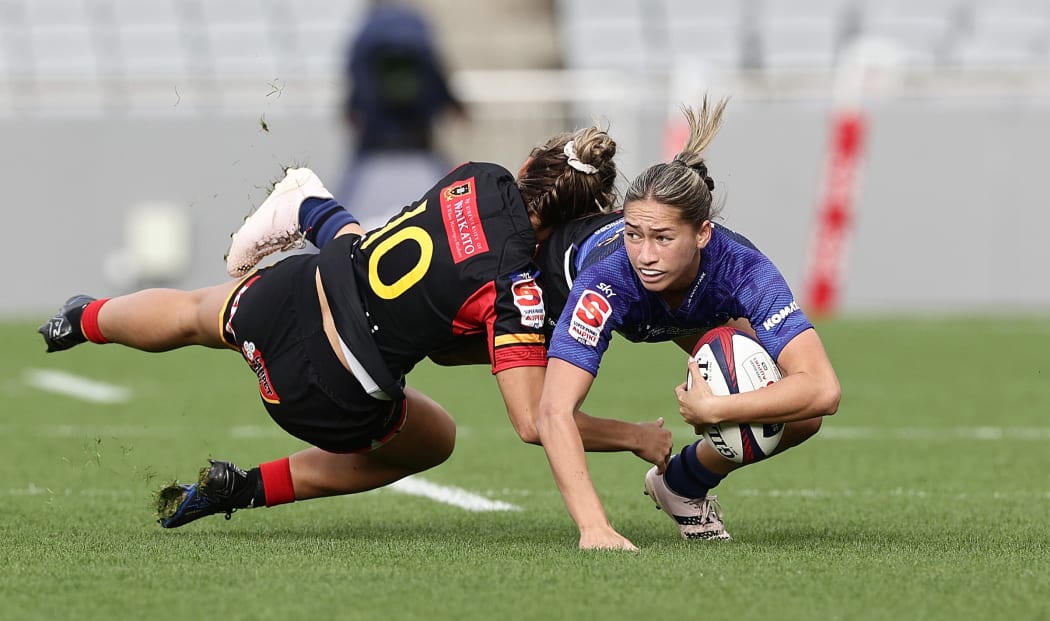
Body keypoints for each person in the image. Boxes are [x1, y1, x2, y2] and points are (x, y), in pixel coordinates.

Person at [38, 125, 672, 550]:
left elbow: (442, 314)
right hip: (325, 389)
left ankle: (84, 317)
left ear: (533, 166)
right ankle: (243, 488)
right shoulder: (518, 289)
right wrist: (635, 437)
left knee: (197, 310)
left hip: (297, 291)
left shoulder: (475, 174)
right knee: (435, 439)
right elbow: (537, 421)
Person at [536, 96, 842, 550]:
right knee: (531, 422)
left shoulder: (743, 269)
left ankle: (680, 484)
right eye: (633, 234)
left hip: (675, 314)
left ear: (702, 233)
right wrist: (594, 528)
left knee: (796, 415)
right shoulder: (607, 280)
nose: (645, 254)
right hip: (542, 294)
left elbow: (823, 390)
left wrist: (715, 410)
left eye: (662, 238)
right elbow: (553, 412)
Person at [335, 2, 467, 229]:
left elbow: (356, 81)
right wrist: (454, 104)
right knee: (452, 215)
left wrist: (352, 109)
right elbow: (435, 73)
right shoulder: (417, 25)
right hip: (419, 141)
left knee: (347, 214)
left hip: (374, 145)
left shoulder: (366, 31)